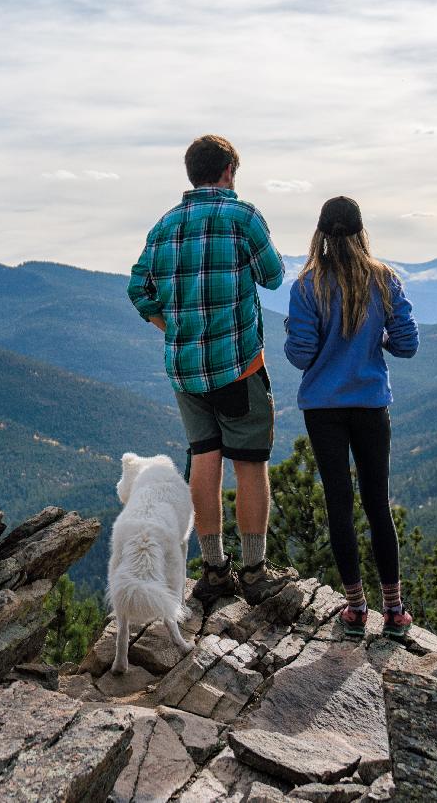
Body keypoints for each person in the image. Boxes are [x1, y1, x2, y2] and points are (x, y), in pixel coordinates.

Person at [127, 134, 289, 607]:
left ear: (191, 172)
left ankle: (215, 571)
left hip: (185, 370)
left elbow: (139, 291)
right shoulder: (243, 216)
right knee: (251, 465)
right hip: (238, 367)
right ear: (229, 171)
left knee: (204, 459)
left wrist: (171, 326)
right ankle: (255, 571)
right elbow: (274, 275)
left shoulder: (164, 225)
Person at [284, 196, 419, 639]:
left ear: (320, 234)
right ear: (361, 233)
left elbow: (301, 356)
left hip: (324, 410)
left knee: (338, 504)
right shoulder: (385, 281)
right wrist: (375, 335)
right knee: (377, 503)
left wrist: (298, 335)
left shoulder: (307, 286)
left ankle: (356, 608)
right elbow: (406, 344)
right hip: (370, 405)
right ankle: (395, 610)